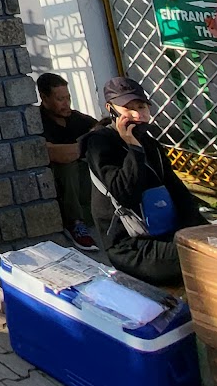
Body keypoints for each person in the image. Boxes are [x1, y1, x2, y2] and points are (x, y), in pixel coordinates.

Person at [82, 76, 206, 285]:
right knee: (201, 260)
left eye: (141, 106)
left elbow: (178, 192)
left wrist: (201, 232)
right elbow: (124, 192)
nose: (137, 114)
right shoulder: (99, 143)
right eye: (128, 108)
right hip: (132, 246)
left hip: (167, 233)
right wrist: (133, 147)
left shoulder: (151, 144)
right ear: (111, 109)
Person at [37, 73, 99, 250]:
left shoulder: (76, 118)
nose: (66, 103)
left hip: (84, 186)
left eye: (68, 98)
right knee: (68, 166)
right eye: (60, 99)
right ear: (44, 98)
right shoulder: (39, 122)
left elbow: (100, 129)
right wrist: (85, 144)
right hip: (58, 186)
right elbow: (56, 154)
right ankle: (74, 223)